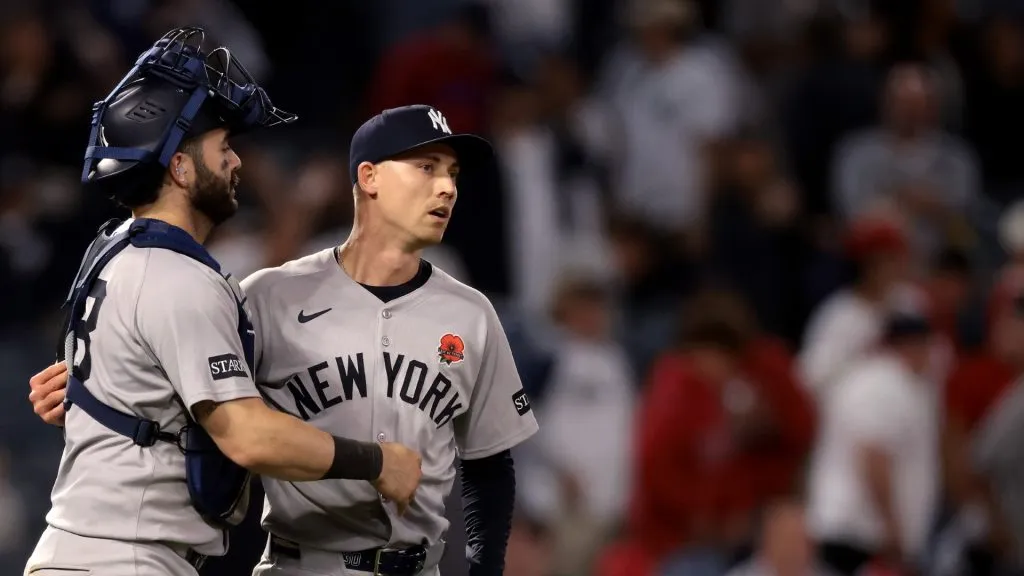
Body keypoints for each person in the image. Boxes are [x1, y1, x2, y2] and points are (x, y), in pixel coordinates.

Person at [30, 103, 540, 576]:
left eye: (452, 173)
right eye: (427, 167)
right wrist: (86, 388)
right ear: (370, 177)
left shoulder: (472, 314)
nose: (447, 187)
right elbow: (194, 404)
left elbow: (490, 467)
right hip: (297, 562)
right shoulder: (266, 297)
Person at [23, 27, 422, 576]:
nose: (235, 163)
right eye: (223, 147)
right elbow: (249, 437)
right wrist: (378, 462)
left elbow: (98, 392)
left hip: (95, 550)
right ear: (180, 168)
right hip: (122, 556)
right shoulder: (175, 275)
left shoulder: (115, 253)